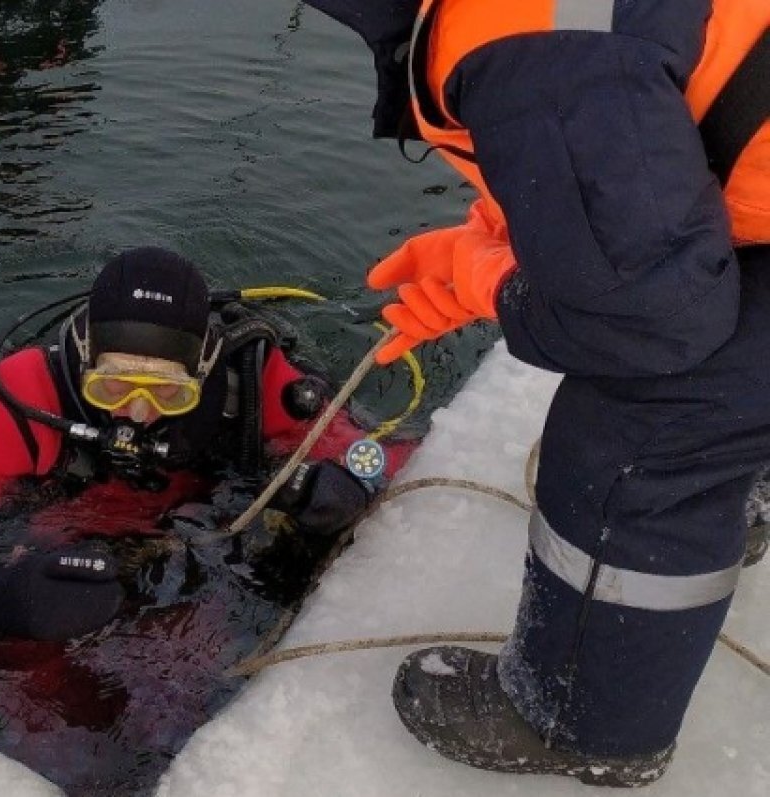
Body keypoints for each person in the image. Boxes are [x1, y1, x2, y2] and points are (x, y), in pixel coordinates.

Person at [303, 0, 768, 787]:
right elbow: (629, 127)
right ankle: (745, 482)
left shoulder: (505, 29)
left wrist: (487, 279)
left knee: (635, 436)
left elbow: (655, 321)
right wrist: (514, 226)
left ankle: (581, 721)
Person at [0, 246, 404, 643]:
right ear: (82, 354)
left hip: (202, 538)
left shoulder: (249, 379)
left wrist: (346, 484)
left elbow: (369, 451)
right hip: (57, 544)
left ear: (205, 367)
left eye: (168, 392)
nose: (138, 414)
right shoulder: (14, 406)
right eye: (115, 386)